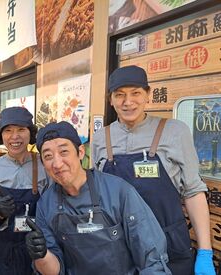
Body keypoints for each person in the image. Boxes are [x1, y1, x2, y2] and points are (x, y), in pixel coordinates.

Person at [92, 65, 215, 275]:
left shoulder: (175, 131)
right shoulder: (101, 137)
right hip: (118, 246)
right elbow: (97, 193)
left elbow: (193, 192)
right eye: (120, 95)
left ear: (148, 95)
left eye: (136, 93)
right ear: (110, 99)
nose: (128, 102)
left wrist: (205, 252)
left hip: (169, 244)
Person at [25, 121, 171, 275]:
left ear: (80, 152)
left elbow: (152, 259)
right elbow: (54, 271)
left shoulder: (118, 192)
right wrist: (41, 255)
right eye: (48, 156)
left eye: (64, 152)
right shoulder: (46, 205)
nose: (57, 163)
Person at [0, 106, 49, 275]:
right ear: (1, 135)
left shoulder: (44, 165)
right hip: (0, 253)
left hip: (36, 250)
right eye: (8, 130)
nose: (15, 137)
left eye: (21, 130)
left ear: (30, 133)